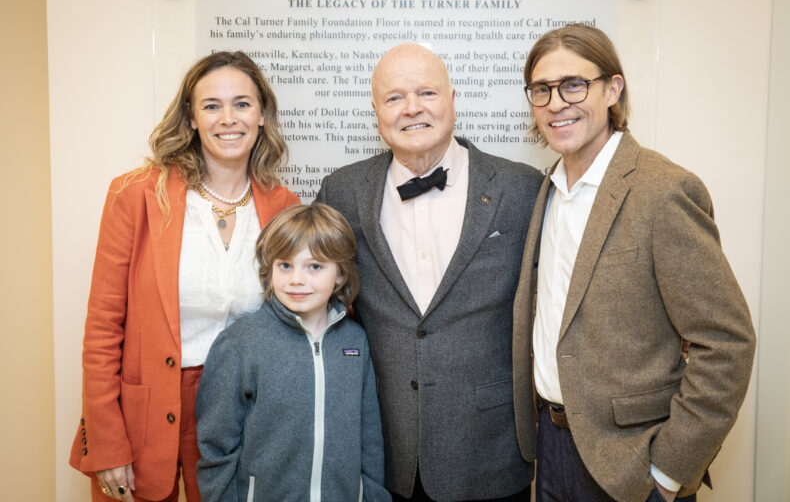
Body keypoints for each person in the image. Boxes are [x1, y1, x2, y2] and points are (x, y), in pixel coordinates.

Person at [512, 23, 756, 502]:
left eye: (573, 85)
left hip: (631, 465)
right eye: (542, 90)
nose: (556, 103)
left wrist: (666, 473)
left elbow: (726, 343)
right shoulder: (546, 191)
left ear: (612, 90)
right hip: (552, 447)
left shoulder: (663, 192)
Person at [69, 51, 300, 502]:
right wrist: (106, 441)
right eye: (211, 105)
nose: (228, 118)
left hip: (242, 410)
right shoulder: (136, 194)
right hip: (148, 409)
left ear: (262, 115)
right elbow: (102, 329)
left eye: (242, 104)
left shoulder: (283, 206)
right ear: (191, 118)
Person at [316, 43, 543, 501]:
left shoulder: (523, 188)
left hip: (490, 449)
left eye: (427, 93)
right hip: (384, 449)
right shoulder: (341, 191)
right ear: (376, 110)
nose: (412, 108)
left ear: (453, 100)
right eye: (394, 97)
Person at [195, 203, 390, 502]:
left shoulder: (356, 341)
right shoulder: (239, 344)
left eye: (314, 266)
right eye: (285, 265)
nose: (296, 279)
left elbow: (370, 440)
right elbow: (216, 447)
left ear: (339, 275)